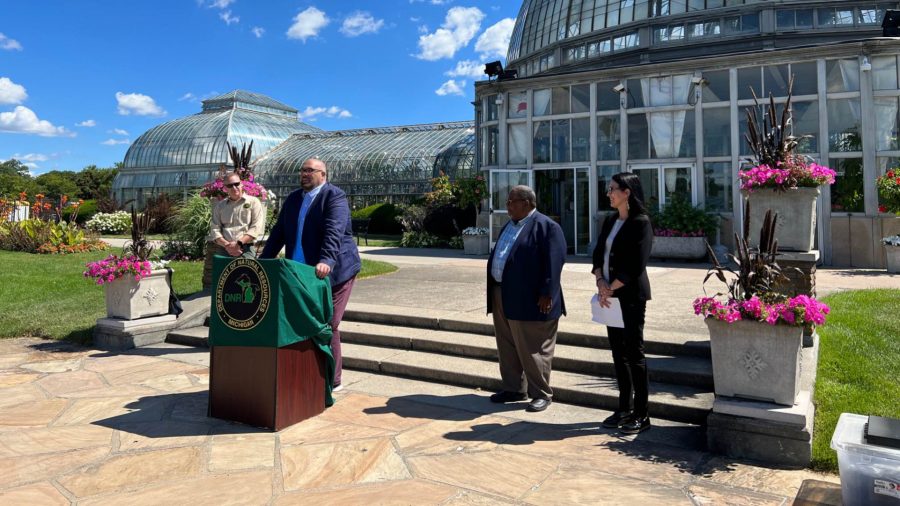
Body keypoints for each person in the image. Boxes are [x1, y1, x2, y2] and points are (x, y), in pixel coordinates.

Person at [260, 158, 361, 392]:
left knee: (329, 322)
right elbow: (279, 232)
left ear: (323, 175)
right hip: (301, 273)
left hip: (336, 272)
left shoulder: (334, 196)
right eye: (302, 171)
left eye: (309, 171)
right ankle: (305, 371)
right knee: (302, 320)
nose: (304, 174)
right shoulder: (294, 198)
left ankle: (333, 378)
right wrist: (264, 261)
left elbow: (334, 232)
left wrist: (326, 260)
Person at [486, 185, 566, 413]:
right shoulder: (508, 227)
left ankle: (541, 393)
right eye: (507, 201)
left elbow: (555, 263)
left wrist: (547, 293)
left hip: (533, 299)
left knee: (533, 348)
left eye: (512, 201)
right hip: (503, 294)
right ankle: (513, 388)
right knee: (507, 346)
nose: (507, 206)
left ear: (527, 202)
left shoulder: (547, 227)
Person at [592, 172, 654, 435]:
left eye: (613, 189)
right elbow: (598, 253)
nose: (609, 193)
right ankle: (623, 408)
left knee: (634, 353)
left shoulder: (641, 223)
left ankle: (642, 413)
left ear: (627, 192)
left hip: (630, 297)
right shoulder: (609, 220)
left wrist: (611, 287)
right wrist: (600, 281)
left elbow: (636, 265)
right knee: (617, 353)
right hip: (609, 297)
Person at [204, 171, 266, 289]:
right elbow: (215, 229)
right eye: (229, 185)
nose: (234, 187)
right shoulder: (220, 206)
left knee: (248, 283)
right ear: (225, 188)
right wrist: (228, 245)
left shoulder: (253, 202)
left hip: (245, 249)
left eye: (236, 184)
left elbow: (256, 227)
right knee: (224, 286)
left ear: (242, 184)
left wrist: (238, 243)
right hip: (224, 250)